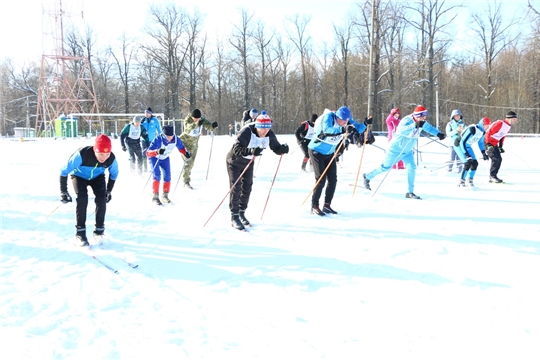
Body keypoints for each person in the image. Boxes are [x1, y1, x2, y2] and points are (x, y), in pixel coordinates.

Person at [363, 105, 446, 200]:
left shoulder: (422, 122)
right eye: (423, 116)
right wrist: (414, 126)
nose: (425, 118)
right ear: (418, 116)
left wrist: (439, 134)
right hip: (396, 149)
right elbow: (401, 130)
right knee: (385, 167)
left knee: (412, 167)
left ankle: (410, 192)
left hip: (408, 151)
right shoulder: (407, 120)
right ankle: (367, 176)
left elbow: (429, 128)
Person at [226, 110, 289, 230]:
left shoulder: (269, 133)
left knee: (247, 187)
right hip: (234, 161)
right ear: (257, 126)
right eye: (262, 129)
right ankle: (234, 216)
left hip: (248, 162)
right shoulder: (246, 131)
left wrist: (282, 149)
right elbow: (236, 149)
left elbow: (275, 147)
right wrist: (250, 151)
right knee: (236, 187)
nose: (265, 132)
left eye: (267, 129)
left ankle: (241, 212)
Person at [308, 106, 369, 216]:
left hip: (330, 153)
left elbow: (359, 128)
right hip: (316, 151)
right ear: (337, 117)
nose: (344, 122)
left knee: (333, 180)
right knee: (321, 179)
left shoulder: (347, 119)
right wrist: (342, 130)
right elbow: (327, 130)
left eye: (346, 120)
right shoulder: (328, 117)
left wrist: (365, 123)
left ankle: (327, 205)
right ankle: (314, 205)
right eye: (342, 120)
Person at [59, 134, 119, 246]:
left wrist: (109, 190)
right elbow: (63, 171)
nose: (104, 157)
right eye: (100, 153)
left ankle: (99, 231)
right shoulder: (81, 155)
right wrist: (63, 191)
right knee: (82, 199)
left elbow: (114, 173)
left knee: (101, 199)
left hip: (97, 177)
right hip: (79, 176)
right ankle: (80, 233)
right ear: (94, 150)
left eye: (107, 154)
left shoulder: (111, 159)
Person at [146, 125, 191, 205]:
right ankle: (155, 197)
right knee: (157, 175)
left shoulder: (176, 139)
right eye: (168, 137)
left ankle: (165, 196)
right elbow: (148, 153)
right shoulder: (158, 139)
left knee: (167, 176)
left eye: (171, 136)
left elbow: (181, 147)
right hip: (155, 158)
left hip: (165, 158)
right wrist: (157, 151)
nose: (170, 138)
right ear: (163, 135)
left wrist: (185, 153)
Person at [179, 109, 218, 189]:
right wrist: (196, 124)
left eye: (198, 119)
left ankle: (187, 177)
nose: (197, 120)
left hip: (194, 144)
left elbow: (208, 126)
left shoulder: (201, 119)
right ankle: (186, 181)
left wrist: (213, 126)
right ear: (192, 117)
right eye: (195, 119)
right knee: (187, 162)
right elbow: (187, 128)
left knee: (192, 163)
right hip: (185, 143)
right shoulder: (187, 119)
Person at [454, 117, 491, 187]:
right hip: (459, 145)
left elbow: (480, 143)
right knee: (467, 163)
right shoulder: (473, 129)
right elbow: (462, 142)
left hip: (467, 146)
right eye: (486, 126)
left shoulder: (482, 132)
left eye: (488, 126)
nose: (487, 127)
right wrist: (467, 154)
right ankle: (461, 181)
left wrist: (483, 153)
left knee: (475, 163)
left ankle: (470, 180)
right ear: (482, 124)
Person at [484, 111, 518, 183]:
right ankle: (492, 176)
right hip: (488, 142)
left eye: (515, 119)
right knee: (495, 159)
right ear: (508, 118)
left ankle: (494, 176)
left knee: (499, 159)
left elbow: (502, 136)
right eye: (513, 119)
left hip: (494, 143)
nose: (515, 121)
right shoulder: (500, 123)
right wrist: (488, 145)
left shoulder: (508, 126)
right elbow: (488, 133)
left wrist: (500, 146)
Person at [140, 107, 162, 172]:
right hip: (144, 140)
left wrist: (160, 137)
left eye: (147, 113)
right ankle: (145, 168)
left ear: (150, 113)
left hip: (152, 140)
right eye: (145, 113)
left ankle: (152, 167)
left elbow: (159, 130)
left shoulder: (155, 120)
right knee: (144, 153)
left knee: (152, 154)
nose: (146, 114)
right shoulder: (143, 120)